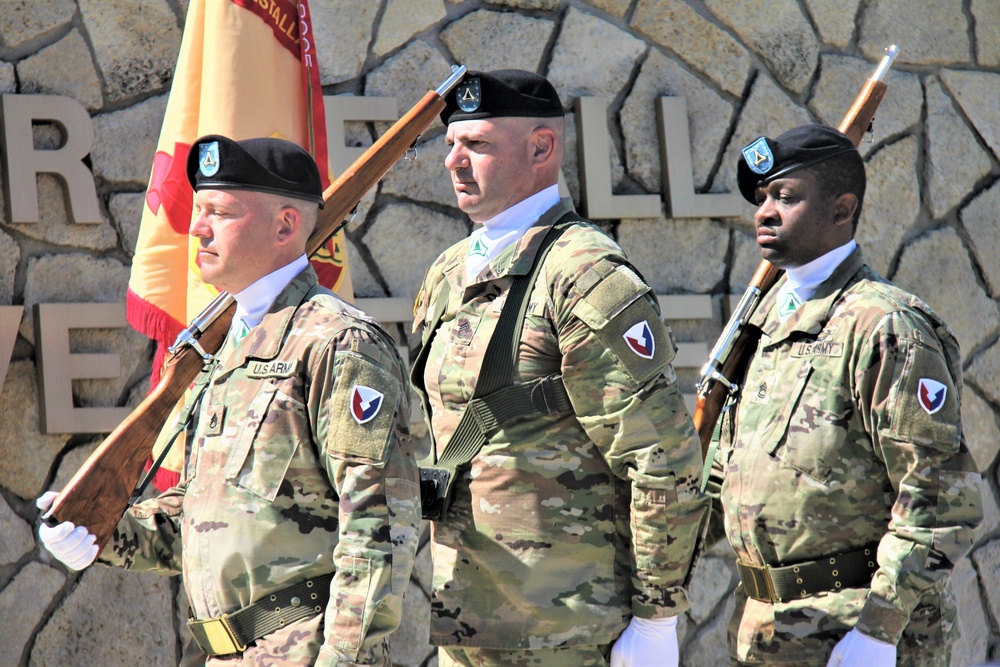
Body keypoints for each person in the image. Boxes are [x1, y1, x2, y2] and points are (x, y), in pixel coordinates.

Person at [37, 135, 422, 667]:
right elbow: (205, 516)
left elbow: (379, 527)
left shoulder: (337, 343)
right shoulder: (221, 350)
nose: (196, 228)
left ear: (286, 225)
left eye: (218, 212)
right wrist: (101, 530)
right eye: (199, 210)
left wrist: (345, 660)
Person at [409, 69, 710, 667]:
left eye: (478, 145)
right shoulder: (448, 274)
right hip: (469, 624)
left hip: (565, 631)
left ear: (541, 147)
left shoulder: (585, 275)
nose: (455, 162)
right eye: (451, 146)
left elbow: (661, 458)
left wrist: (655, 617)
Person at [703, 124, 983, 666]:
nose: (764, 212)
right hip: (766, 629)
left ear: (841, 209)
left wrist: (879, 630)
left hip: (856, 630)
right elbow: (726, 472)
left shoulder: (885, 325)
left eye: (785, 197)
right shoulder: (764, 323)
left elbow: (938, 494)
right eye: (762, 199)